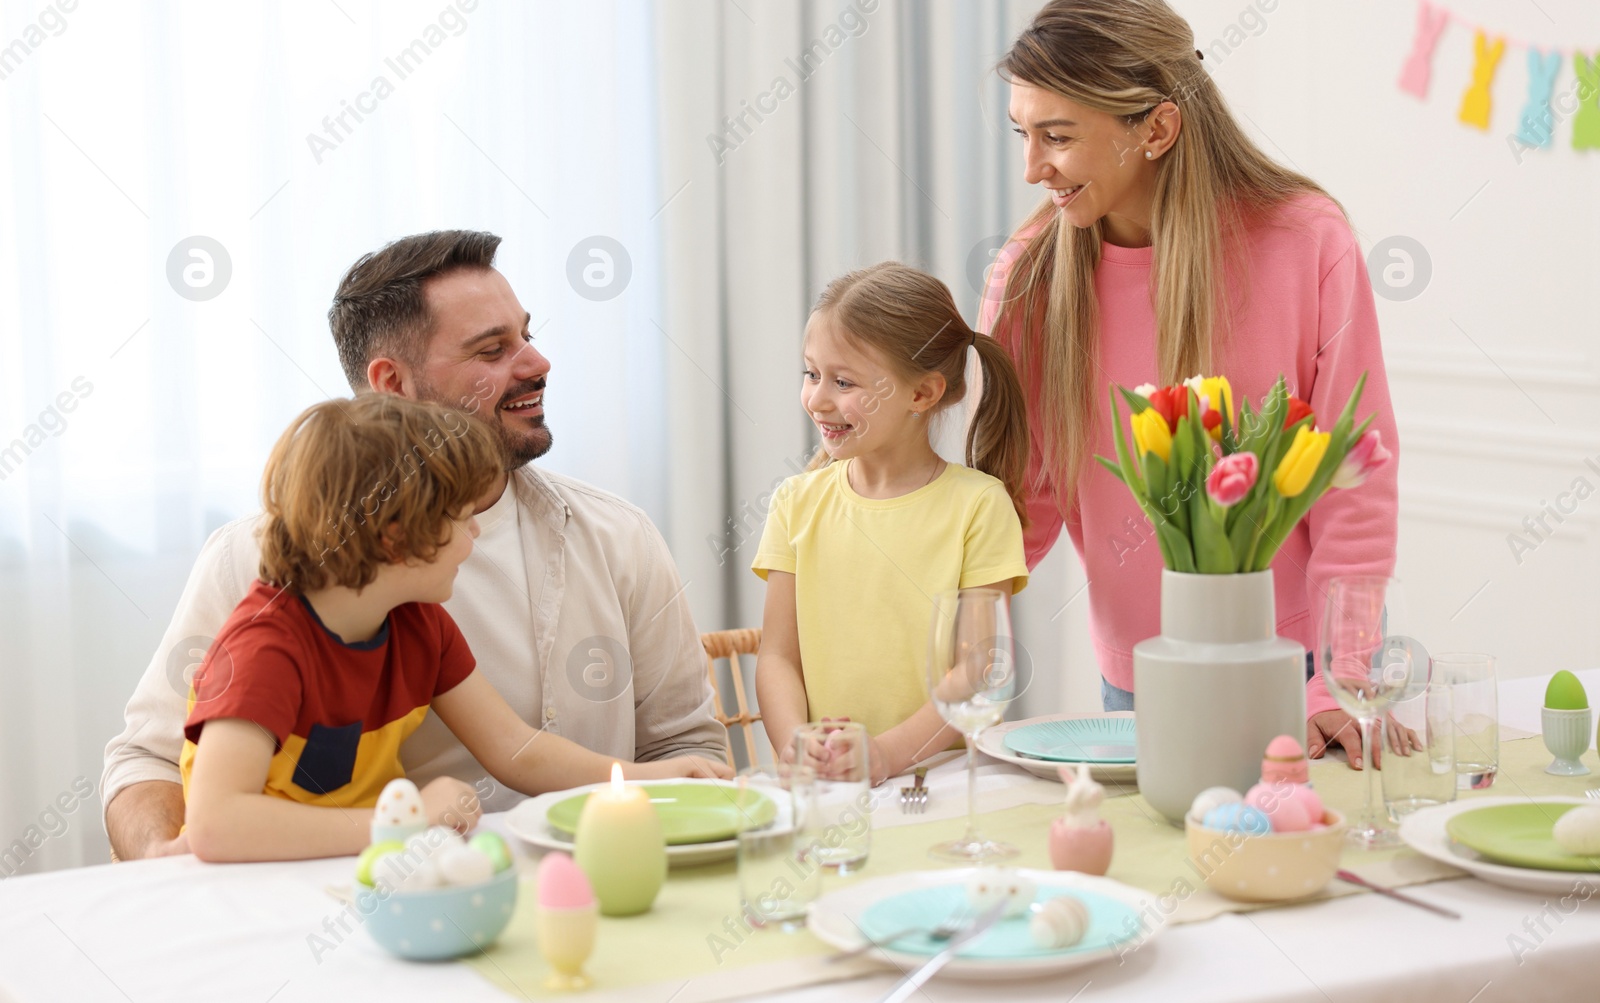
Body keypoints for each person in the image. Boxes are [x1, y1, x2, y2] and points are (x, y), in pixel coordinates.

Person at [103, 230, 729, 859]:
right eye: (491, 349)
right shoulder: (257, 586)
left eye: (527, 338)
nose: (538, 364)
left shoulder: (594, 545)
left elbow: (531, 749)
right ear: (392, 385)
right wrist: (168, 880)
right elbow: (153, 768)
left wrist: (646, 788)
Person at [979, 0, 1399, 767]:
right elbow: (1020, 495)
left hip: (1298, 672)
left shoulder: (1306, 241)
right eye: (1022, 135)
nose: (1034, 167)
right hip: (1138, 681)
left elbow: (1355, 475)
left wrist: (1342, 681)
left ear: (1159, 127)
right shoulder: (1029, 276)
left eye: (1058, 136)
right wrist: (936, 642)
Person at [184, 395, 726, 861]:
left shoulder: (421, 627)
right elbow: (215, 824)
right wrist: (404, 823)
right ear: (396, 539)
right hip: (252, 891)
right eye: (460, 516)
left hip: (352, 873)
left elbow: (519, 751)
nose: (474, 531)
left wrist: (662, 778)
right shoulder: (265, 647)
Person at [753, 262, 1031, 785]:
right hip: (828, 789)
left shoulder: (979, 507)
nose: (817, 399)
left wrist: (884, 755)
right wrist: (795, 742)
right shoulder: (795, 502)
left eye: (844, 382)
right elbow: (777, 658)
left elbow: (974, 673)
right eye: (811, 374)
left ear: (921, 394)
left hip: (942, 786)